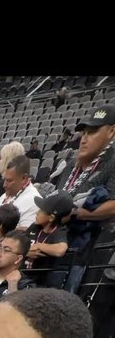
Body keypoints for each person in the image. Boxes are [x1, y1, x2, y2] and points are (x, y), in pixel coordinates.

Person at [56, 103, 115, 294]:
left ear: (111, 131)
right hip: (59, 246)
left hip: (89, 253)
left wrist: (76, 213)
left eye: (93, 132)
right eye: (84, 133)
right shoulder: (71, 166)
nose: (84, 139)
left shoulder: (112, 161)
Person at [25, 193, 72, 288]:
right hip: (22, 275)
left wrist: (38, 245)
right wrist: (25, 251)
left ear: (51, 218)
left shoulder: (59, 231)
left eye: (41, 211)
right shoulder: (34, 227)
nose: (37, 213)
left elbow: (60, 250)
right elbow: (20, 245)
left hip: (39, 283)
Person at [0, 155, 41, 232]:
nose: (4, 185)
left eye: (9, 181)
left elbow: (23, 237)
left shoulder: (33, 202)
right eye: (5, 180)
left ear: (24, 178)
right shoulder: (6, 195)